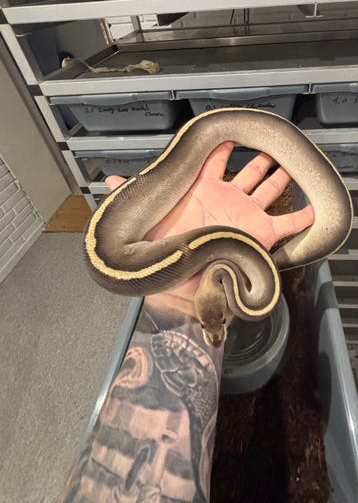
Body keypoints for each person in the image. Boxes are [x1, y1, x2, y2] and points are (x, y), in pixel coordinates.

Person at [56, 141, 314, 503]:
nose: (216, 334)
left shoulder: (229, 283)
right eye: (216, 326)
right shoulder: (233, 286)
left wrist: (185, 303)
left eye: (214, 327)